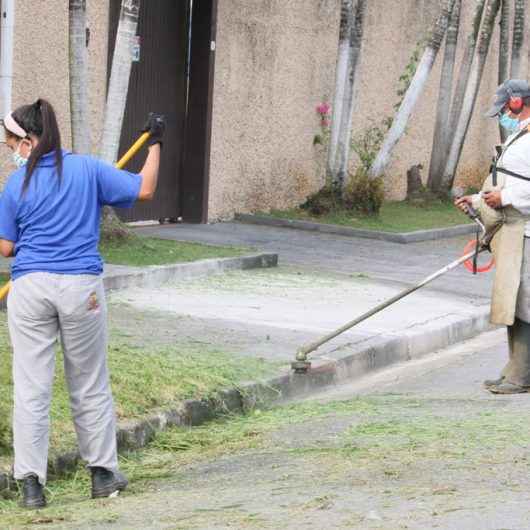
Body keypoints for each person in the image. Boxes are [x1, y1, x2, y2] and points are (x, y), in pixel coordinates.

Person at [0, 99, 164, 508]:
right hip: (80, 288)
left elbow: (6, 248)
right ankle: (103, 475)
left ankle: (31, 486)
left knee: (31, 388)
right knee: (88, 382)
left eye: (10, 143)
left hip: (30, 288)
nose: (9, 150)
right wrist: (155, 144)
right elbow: (144, 188)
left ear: (29, 140)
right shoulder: (88, 170)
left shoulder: (14, 185)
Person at [455, 79, 530, 395]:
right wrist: (477, 200)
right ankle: (515, 369)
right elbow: (507, 180)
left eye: (504, 108)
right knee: (513, 302)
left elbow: (513, 189)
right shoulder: (520, 134)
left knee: (525, 302)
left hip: (527, 232)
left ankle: (521, 375)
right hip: (512, 230)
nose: (503, 115)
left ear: (516, 102)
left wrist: (508, 197)